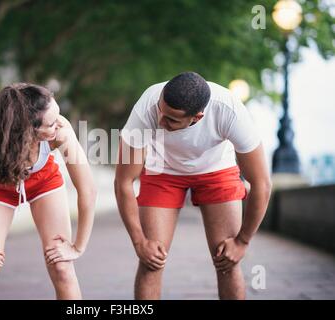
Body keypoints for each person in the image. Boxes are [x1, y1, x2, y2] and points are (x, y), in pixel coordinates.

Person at [114, 71, 272, 300]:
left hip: (216, 169)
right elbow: (124, 182)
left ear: (197, 118)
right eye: (161, 111)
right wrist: (140, 243)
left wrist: (242, 242)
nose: (160, 121)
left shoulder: (228, 110)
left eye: (171, 119)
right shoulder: (147, 107)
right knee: (151, 260)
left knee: (226, 261)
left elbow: (262, 184)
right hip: (163, 169)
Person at [0, 83, 96, 299]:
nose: (59, 125)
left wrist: (78, 247)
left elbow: (88, 191)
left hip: (43, 181)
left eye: (58, 115)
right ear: (28, 129)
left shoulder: (60, 133)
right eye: (51, 123)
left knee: (62, 268)